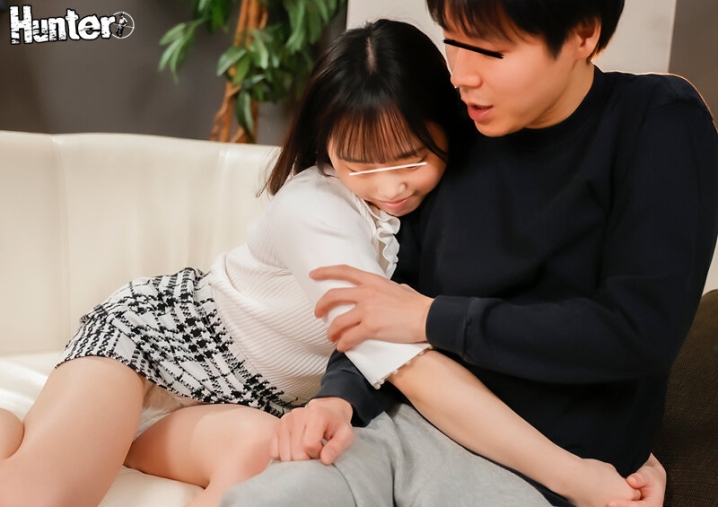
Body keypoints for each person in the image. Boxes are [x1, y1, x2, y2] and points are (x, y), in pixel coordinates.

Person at [0, 19, 644, 507]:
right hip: (158, 345)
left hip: (257, 403)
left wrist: (619, 440)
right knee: (42, 495)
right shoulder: (317, 210)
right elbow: (405, 362)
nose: (390, 186)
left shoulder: (451, 205)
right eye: (359, 163)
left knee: (264, 458)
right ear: (326, 145)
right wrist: (573, 474)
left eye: (412, 158)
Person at [221, 2, 718, 507]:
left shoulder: (657, 122)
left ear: (583, 34)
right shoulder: (457, 125)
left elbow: (639, 330)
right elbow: (390, 299)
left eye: (490, 50)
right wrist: (338, 398)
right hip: (399, 428)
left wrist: (435, 318)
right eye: (452, 40)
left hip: (542, 472)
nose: (460, 74)